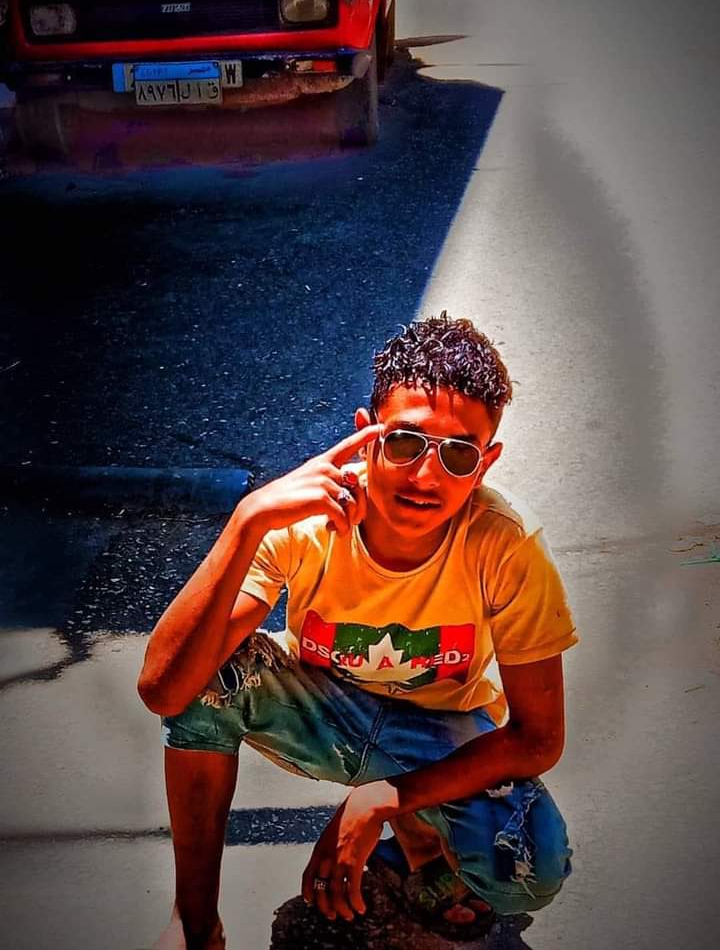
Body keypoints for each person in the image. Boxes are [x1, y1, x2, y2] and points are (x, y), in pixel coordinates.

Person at [138, 312, 578, 950]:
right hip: (321, 712)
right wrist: (247, 520)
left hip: (440, 733)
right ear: (366, 433)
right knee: (211, 676)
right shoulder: (306, 519)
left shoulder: (505, 543)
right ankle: (195, 922)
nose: (425, 477)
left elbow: (538, 738)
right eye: (405, 443)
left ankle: (412, 840)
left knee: (528, 867)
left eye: (458, 454)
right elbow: (164, 689)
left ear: (486, 463)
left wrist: (383, 798)